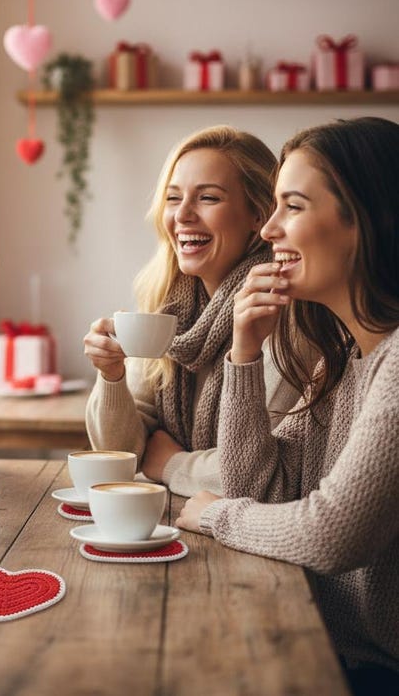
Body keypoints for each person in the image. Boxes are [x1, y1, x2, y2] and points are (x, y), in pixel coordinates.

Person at [177, 117, 399, 691]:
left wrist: (214, 514)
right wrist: (244, 355)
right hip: (339, 652)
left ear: (368, 221)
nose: (270, 229)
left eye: (292, 206)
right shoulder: (342, 360)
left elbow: (332, 534)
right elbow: (261, 488)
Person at [84, 126, 305, 496]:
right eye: (173, 198)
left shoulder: (281, 314)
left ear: (258, 215)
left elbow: (259, 471)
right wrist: (110, 377)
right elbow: (120, 456)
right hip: (179, 522)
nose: (182, 215)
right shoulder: (169, 306)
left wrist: (171, 464)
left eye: (208, 198)